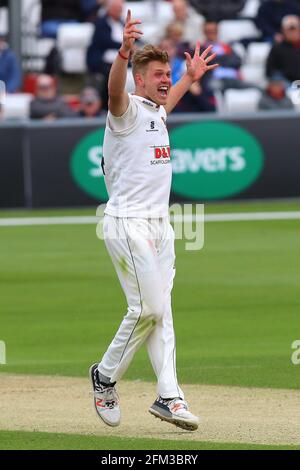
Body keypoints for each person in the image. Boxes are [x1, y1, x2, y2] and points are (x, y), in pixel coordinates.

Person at [89, 9, 218, 430]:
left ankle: (169, 396)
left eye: (168, 72)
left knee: (162, 314)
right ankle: (105, 376)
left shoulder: (155, 111)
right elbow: (113, 91)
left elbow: (166, 104)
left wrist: (188, 78)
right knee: (148, 307)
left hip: (161, 226)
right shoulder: (123, 112)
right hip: (128, 223)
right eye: (158, 74)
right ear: (138, 79)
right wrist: (124, 52)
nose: (165, 78)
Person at [87, 0, 125, 108]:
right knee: (110, 75)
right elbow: (104, 41)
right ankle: (106, 105)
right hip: (104, 61)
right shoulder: (101, 23)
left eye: (120, 9)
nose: (118, 11)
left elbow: (135, 38)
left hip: (123, 58)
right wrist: (126, 45)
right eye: (116, 8)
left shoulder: (122, 23)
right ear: (109, 9)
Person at [266, 15, 300, 83]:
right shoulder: (277, 48)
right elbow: (270, 71)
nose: (292, 33)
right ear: (283, 31)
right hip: (288, 84)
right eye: (289, 30)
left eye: (295, 29)